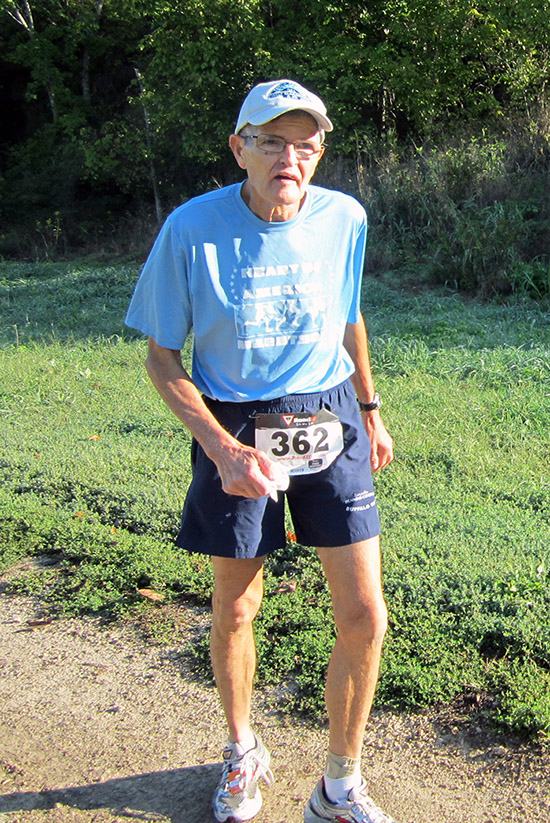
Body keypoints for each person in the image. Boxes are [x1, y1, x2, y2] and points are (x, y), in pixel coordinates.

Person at [126, 79, 396, 823]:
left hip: (330, 414)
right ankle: (242, 750)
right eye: (271, 141)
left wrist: (370, 409)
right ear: (239, 148)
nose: (289, 158)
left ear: (320, 152)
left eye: (304, 144)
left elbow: (348, 315)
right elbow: (161, 359)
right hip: (237, 424)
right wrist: (220, 449)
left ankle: (339, 786)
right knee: (238, 605)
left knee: (365, 613)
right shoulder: (190, 228)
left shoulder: (345, 217)